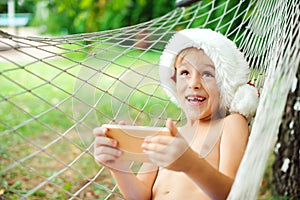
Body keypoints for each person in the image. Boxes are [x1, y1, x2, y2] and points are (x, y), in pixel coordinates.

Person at [93, 28, 259, 199]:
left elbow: (233, 194)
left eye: (208, 74)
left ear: (225, 84)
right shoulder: (168, 135)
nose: (194, 83)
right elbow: (140, 195)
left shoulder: (230, 124)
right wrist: (117, 165)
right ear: (174, 82)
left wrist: (191, 165)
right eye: (185, 73)